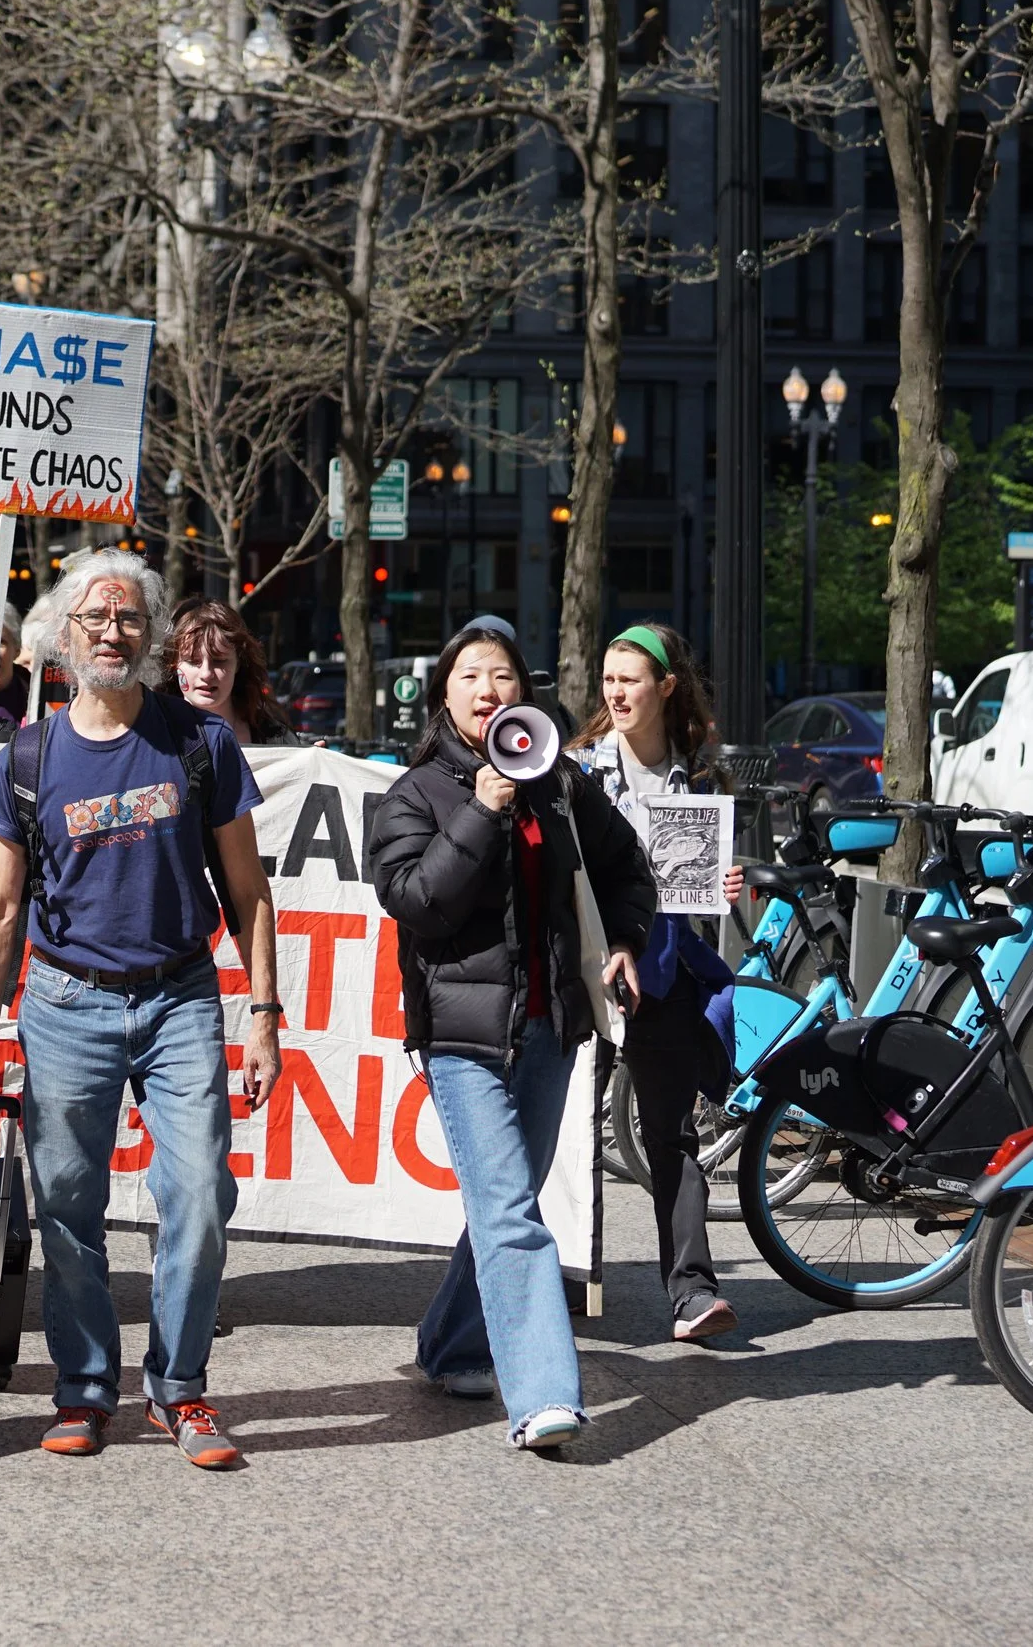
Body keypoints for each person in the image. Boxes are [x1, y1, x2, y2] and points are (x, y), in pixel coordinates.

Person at [0, 550, 283, 1470]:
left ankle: (178, 1389)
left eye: (129, 617)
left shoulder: (200, 743)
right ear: (63, 637)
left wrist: (263, 1014)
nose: (111, 630)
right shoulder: (27, 756)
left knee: (201, 1196)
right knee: (65, 1204)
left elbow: (250, 894)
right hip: (64, 1005)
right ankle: (85, 1386)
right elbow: (1, 909)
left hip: (181, 999)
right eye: (94, 617)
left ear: (150, 635)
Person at [365, 621, 653, 1450]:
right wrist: (483, 813)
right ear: (445, 695)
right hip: (462, 1037)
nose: (490, 689)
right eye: (472, 676)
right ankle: (542, 1395)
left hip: (549, 1026)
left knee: (505, 1204)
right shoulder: (416, 793)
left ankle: (451, 1343)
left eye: (504, 676)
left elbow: (628, 869)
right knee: (509, 1212)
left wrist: (625, 938)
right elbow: (417, 901)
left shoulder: (559, 783)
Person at [569, 623, 745, 1343]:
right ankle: (567, 1283)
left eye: (630, 679)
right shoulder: (579, 767)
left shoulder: (699, 777)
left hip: (665, 971)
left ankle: (693, 1293)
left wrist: (729, 882)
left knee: (671, 1132)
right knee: (571, 1130)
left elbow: (705, 887)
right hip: (588, 970)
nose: (615, 692)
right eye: (609, 679)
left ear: (665, 687)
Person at [169, 600, 295, 744]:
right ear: (174, 664)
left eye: (219, 661)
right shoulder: (153, 738)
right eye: (193, 661)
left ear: (238, 663)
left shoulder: (276, 737)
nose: (206, 674)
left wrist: (314, 762)